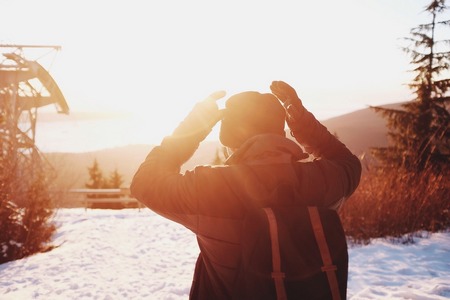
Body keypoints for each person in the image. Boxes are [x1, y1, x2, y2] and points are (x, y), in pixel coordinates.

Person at [130, 81, 362, 299]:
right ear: (279, 132)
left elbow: (145, 182)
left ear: (230, 139)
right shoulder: (321, 181)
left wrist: (192, 128)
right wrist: (301, 122)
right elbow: (349, 164)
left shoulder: (210, 187)